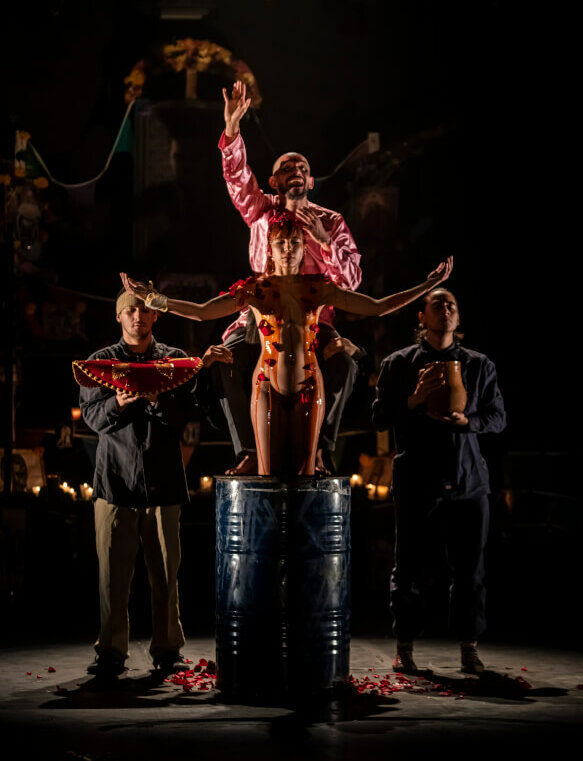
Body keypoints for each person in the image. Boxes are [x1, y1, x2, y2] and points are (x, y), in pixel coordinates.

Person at [121, 212, 452, 476]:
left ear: (304, 246)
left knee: (306, 472)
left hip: (309, 382)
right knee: (268, 473)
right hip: (266, 384)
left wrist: (428, 285)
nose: (290, 248)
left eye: (296, 242)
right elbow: (202, 312)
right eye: (282, 243)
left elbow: (378, 306)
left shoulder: (319, 288)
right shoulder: (255, 289)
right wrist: (153, 298)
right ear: (270, 249)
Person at [80, 289, 232, 677]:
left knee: (166, 572)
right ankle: (111, 649)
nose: (138, 317)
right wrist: (120, 403)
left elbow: (186, 414)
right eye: (130, 310)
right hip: (115, 481)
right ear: (119, 317)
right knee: (113, 575)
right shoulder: (102, 363)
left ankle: (167, 647)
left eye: (145, 310)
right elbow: (93, 418)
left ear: (155, 317)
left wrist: (153, 399)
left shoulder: (172, 360)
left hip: (163, 483)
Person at [215, 80, 363, 476]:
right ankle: (248, 449)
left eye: (303, 168)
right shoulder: (261, 211)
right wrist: (232, 130)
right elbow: (237, 181)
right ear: (275, 182)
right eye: (286, 168)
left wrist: (325, 243)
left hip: (315, 319)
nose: (296, 171)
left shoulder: (330, 221)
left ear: (312, 183)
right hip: (263, 314)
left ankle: (320, 449)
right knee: (227, 357)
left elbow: (350, 284)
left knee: (345, 367)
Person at [372, 288, 506, 675]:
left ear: (458, 319)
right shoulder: (399, 364)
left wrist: (471, 423)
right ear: (421, 318)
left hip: (468, 481)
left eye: (452, 305)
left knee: (470, 569)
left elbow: (499, 417)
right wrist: (413, 401)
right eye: (437, 304)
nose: (445, 309)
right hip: (417, 479)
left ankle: (469, 647)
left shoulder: (480, 365)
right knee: (409, 565)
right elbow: (379, 416)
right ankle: (405, 647)